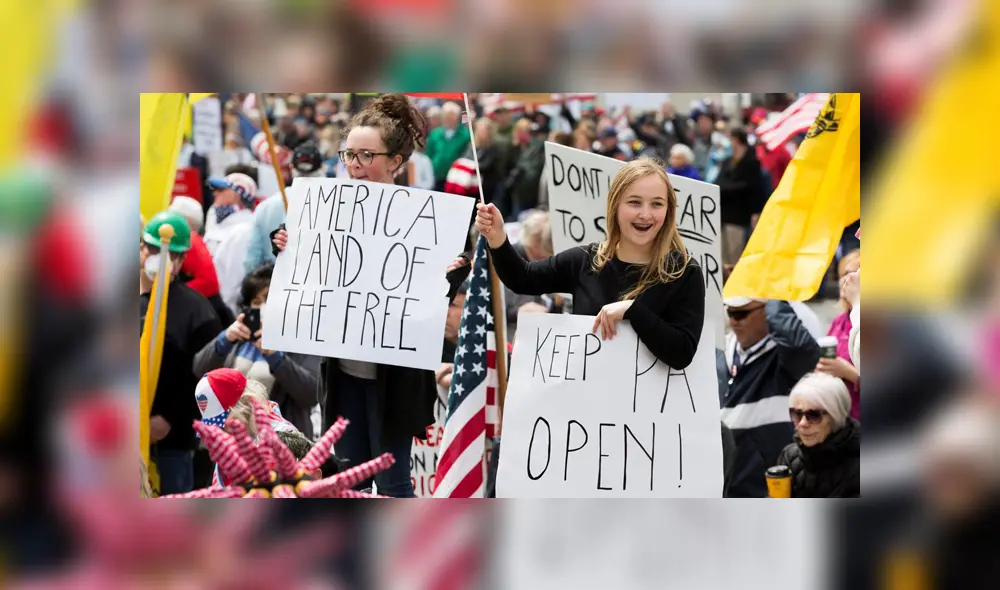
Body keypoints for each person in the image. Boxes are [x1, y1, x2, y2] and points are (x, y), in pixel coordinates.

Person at [270, 94, 445, 498]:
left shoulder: (427, 220)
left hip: (395, 381)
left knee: (393, 483)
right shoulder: (325, 210)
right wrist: (284, 243)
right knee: (347, 479)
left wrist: (449, 274)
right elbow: (303, 265)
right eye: (349, 154)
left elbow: (434, 300)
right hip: (344, 376)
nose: (354, 165)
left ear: (396, 162)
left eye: (366, 155)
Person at [475, 157, 705, 369]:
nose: (646, 214)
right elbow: (523, 278)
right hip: (585, 409)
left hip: (650, 411)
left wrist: (633, 311)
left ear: (669, 209)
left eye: (657, 204)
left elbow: (682, 353)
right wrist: (498, 238)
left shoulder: (684, 272)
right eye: (635, 203)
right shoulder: (586, 260)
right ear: (615, 206)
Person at [140, 212, 222, 494]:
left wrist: (170, 419)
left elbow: (204, 375)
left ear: (181, 260)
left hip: (171, 437)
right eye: (154, 249)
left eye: (172, 254)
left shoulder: (197, 311)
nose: (161, 258)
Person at [193, 264, 322, 439]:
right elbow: (199, 369)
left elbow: (310, 394)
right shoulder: (239, 339)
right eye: (256, 302)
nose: (263, 307)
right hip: (234, 440)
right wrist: (224, 340)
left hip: (279, 442)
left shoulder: (298, 342)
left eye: (269, 299)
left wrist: (276, 357)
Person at [718, 297, 821, 497]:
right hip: (729, 486)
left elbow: (800, 347)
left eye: (741, 314)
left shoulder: (786, 358)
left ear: (768, 312)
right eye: (730, 313)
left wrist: (773, 293)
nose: (734, 321)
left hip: (770, 486)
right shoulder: (720, 355)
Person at [244, 141, 325, 275]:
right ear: (322, 167)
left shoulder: (266, 207)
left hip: (274, 287)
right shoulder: (337, 207)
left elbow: (251, 262)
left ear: (292, 167)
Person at [775, 373, 860, 497]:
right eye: (797, 414)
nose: (802, 423)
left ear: (835, 416)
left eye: (814, 415)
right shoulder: (789, 456)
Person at [167, 196, 234, 326]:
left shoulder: (190, 241)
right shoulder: (193, 239)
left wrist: (173, 296)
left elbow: (209, 282)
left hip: (206, 312)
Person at [203, 172, 257, 313]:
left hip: (223, 309)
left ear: (237, 195)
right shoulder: (214, 216)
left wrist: (225, 314)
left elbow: (234, 281)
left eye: (221, 190)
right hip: (207, 300)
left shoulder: (245, 229)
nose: (215, 193)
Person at [817, 250, 861, 420]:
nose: (846, 280)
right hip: (841, 418)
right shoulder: (839, 321)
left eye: (854, 274)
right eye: (843, 274)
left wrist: (850, 373)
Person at [716, 129, 765, 266]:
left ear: (737, 140)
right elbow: (719, 181)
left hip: (738, 216)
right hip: (723, 213)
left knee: (734, 254)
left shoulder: (752, 163)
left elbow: (749, 187)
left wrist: (726, 188)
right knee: (722, 256)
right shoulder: (727, 161)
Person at [426, 101, 471, 192]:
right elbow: (429, 154)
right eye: (446, 115)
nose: (448, 118)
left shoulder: (465, 135)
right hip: (436, 176)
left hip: (455, 178)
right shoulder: (435, 133)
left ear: (457, 117)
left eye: (451, 115)